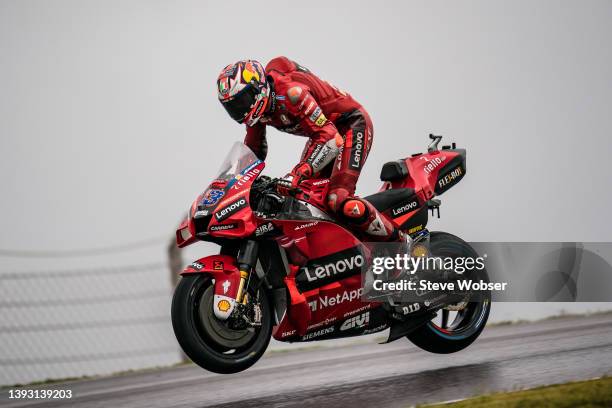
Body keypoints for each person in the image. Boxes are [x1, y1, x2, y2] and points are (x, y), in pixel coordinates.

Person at [217, 57, 398, 241]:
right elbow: (253, 151)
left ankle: (401, 243)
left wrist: (298, 172)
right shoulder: (256, 113)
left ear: (258, 88)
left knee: (338, 199)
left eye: (242, 100)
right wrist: (229, 187)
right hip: (321, 136)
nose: (241, 109)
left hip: (350, 125)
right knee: (302, 198)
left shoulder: (291, 93)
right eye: (232, 106)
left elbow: (331, 138)